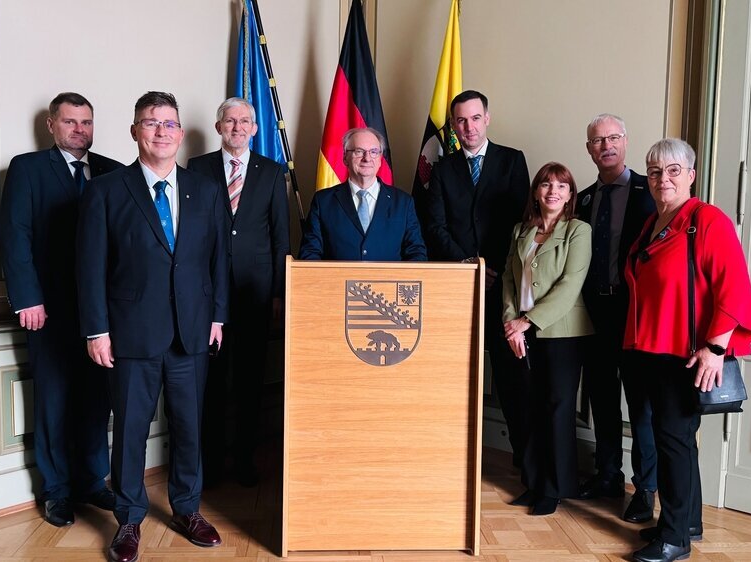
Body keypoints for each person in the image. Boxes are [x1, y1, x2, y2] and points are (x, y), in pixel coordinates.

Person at [76, 91, 230, 562]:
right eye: (151, 123)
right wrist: (96, 330)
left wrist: (218, 316)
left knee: (189, 428)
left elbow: (217, 259)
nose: (161, 131)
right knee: (130, 431)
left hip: (192, 333)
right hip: (130, 335)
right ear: (134, 131)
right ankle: (129, 520)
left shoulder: (205, 189)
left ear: (180, 133)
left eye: (169, 123)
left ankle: (187, 508)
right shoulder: (105, 190)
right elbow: (90, 266)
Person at [624, 139, 751, 562]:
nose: (661, 178)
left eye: (671, 170)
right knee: (677, 439)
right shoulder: (656, 223)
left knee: (674, 441)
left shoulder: (707, 220)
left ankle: (674, 540)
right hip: (651, 348)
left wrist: (715, 348)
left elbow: (733, 289)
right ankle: (687, 522)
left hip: (685, 353)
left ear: (690, 175)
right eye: (653, 171)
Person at [0, 92, 122, 527]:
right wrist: (27, 297)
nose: (79, 129)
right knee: (53, 399)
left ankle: (92, 481)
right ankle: (55, 491)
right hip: (47, 310)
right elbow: (15, 237)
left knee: (96, 399)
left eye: (86, 122)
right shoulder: (27, 169)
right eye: (70, 122)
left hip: (102, 314)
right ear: (51, 125)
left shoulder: (113, 171)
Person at [422, 90, 530, 467]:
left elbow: (522, 223)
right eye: (460, 121)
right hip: (457, 285)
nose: (468, 127)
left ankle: (523, 460)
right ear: (453, 125)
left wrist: (493, 268)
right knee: (451, 375)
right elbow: (433, 225)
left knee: (509, 378)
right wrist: (469, 264)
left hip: (503, 288)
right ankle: (448, 455)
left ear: (487, 118)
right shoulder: (443, 168)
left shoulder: (512, 161)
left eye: (474, 118)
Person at [187, 97, 290, 487]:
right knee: (210, 381)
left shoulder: (270, 171)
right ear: (218, 128)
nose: (238, 127)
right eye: (230, 121)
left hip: (256, 292)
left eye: (245, 121)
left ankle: (246, 459)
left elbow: (281, 237)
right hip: (206, 292)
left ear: (255, 128)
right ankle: (210, 464)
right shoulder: (197, 169)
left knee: (249, 380)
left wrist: (278, 293)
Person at [574, 113, 659, 523]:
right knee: (602, 398)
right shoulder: (584, 198)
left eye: (613, 138)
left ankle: (645, 489)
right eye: (597, 140)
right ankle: (608, 474)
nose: (605, 145)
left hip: (636, 312)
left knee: (640, 404)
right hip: (596, 311)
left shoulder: (651, 191)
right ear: (588, 149)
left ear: (625, 142)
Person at [501, 162, 593, 516]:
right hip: (521, 332)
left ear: (570, 194)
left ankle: (554, 488)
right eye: (545, 184)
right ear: (536, 192)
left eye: (561, 185)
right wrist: (512, 322)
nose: (552, 191)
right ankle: (534, 482)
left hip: (562, 334)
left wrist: (528, 322)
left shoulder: (577, 231)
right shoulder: (520, 231)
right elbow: (509, 281)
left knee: (556, 408)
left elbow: (570, 286)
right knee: (529, 408)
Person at [299, 127, 426, 261]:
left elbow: (416, 253)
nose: (367, 158)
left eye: (374, 152)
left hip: (389, 281)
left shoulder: (403, 203)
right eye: (359, 151)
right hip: (336, 281)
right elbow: (310, 253)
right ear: (345, 158)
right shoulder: (323, 201)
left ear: (380, 159)